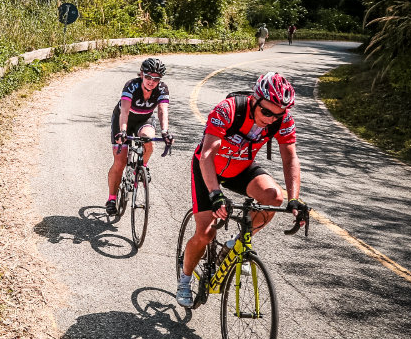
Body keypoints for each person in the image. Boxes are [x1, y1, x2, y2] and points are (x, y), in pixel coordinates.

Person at [176, 72, 309, 307]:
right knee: (206, 233)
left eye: (277, 114)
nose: (270, 119)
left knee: (274, 197)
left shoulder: (282, 120)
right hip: (209, 169)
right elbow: (207, 154)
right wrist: (215, 195)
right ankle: (185, 278)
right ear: (254, 99)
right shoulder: (228, 109)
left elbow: (290, 158)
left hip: (240, 169)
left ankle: (235, 244)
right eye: (266, 112)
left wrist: (295, 200)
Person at [106, 57, 173, 215]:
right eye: (148, 77)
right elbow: (125, 111)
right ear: (142, 74)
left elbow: (163, 111)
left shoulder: (162, 89)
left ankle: (141, 168)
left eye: (156, 78)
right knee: (120, 162)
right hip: (124, 120)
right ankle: (111, 198)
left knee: (148, 140)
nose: (151, 81)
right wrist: (122, 131)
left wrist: (165, 131)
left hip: (144, 119)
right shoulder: (131, 85)